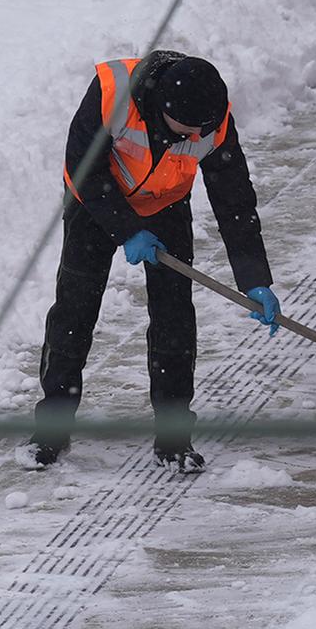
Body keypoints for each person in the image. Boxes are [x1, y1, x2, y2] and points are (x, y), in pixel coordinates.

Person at [19, 51, 281, 474]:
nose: (197, 136)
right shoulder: (113, 94)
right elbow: (82, 165)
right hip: (97, 200)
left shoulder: (211, 120)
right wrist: (125, 228)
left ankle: (174, 437)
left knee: (174, 317)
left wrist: (255, 279)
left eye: (204, 129)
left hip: (166, 204)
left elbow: (234, 200)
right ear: (163, 108)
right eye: (187, 129)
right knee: (75, 309)